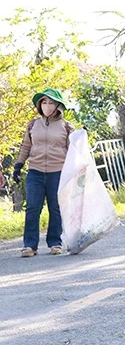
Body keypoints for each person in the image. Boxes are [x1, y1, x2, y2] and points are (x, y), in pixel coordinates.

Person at [13, 88, 74, 258]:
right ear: (40, 105)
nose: (47, 106)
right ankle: (30, 245)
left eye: (51, 102)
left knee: (56, 208)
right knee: (32, 208)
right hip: (35, 172)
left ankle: (55, 242)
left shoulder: (67, 127)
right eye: (44, 102)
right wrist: (18, 165)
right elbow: (26, 146)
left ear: (58, 106)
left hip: (58, 172)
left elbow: (74, 151)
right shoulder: (33, 125)